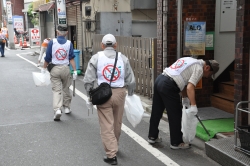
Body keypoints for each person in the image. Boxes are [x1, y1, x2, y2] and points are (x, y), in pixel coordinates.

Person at [83, 34, 135, 165]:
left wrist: (89, 94)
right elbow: (131, 80)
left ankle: (111, 155)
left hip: (103, 94)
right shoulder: (123, 58)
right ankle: (114, 146)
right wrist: (131, 94)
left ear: (102, 45)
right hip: (120, 93)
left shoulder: (96, 58)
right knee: (117, 122)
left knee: (107, 125)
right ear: (116, 45)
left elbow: (88, 79)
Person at [147, 57, 219, 149]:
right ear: (207, 68)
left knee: (156, 110)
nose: (207, 76)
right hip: (169, 86)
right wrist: (193, 105)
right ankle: (176, 143)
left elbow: (185, 82)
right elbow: (190, 87)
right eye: (210, 74)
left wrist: (185, 98)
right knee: (175, 115)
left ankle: (152, 136)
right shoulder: (199, 68)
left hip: (160, 79)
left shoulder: (190, 60)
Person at [41, 25, 77, 121]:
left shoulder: (52, 42)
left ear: (57, 32)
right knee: (66, 88)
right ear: (67, 33)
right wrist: (75, 70)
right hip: (66, 68)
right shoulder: (69, 43)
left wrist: (44, 69)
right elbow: (71, 58)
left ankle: (57, 109)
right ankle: (67, 108)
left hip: (55, 69)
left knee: (57, 90)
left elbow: (47, 57)